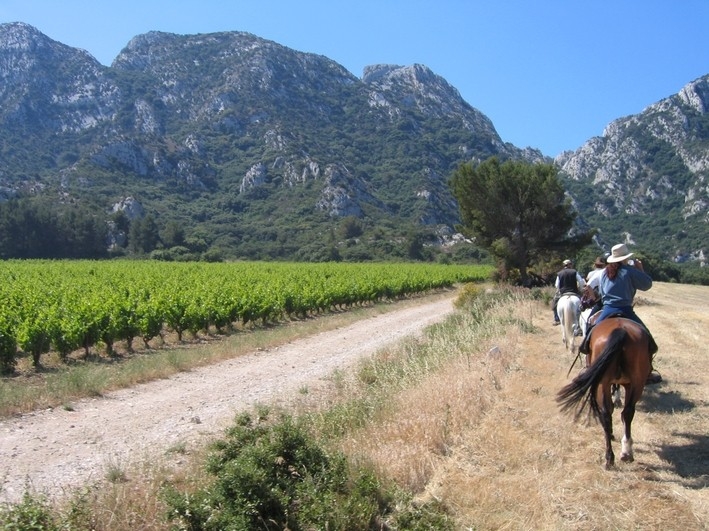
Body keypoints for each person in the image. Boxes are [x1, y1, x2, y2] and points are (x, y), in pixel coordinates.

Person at [578, 243, 661, 383]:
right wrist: (640, 270)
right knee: (648, 340)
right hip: (626, 310)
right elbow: (647, 285)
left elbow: (600, 291)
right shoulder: (630, 271)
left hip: (608, 309)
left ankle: (588, 366)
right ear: (625, 258)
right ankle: (648, 372)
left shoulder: (603, 273)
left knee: (589, 336)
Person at [552, 259, 585, 325]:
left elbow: (556, 285)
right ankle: (582, 320)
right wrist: (580, 289)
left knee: (555, 303)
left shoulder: (559, 273)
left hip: (563, 293)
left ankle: (556, 319)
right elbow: (581, 282)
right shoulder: (574, 272)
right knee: (583, 302)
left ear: (564, 265)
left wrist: (560, 290)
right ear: (570, 265)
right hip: (574, 292)